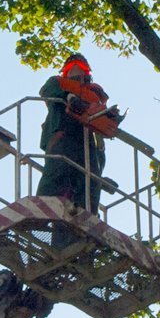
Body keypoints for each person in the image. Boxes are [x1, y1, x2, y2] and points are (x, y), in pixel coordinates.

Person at [37, 53, 113, 217]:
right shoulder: (58, 83)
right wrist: (68, 97)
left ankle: (87, 214)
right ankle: (41, 209)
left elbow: (103, 113)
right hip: (63, 134)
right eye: (72, 67)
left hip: (90, 142)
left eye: (81, 67)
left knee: (91, 178)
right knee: (58, 171)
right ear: (65, 71)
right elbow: (48, 91)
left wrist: (111, 119)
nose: (77, 71)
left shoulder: (96, 93)